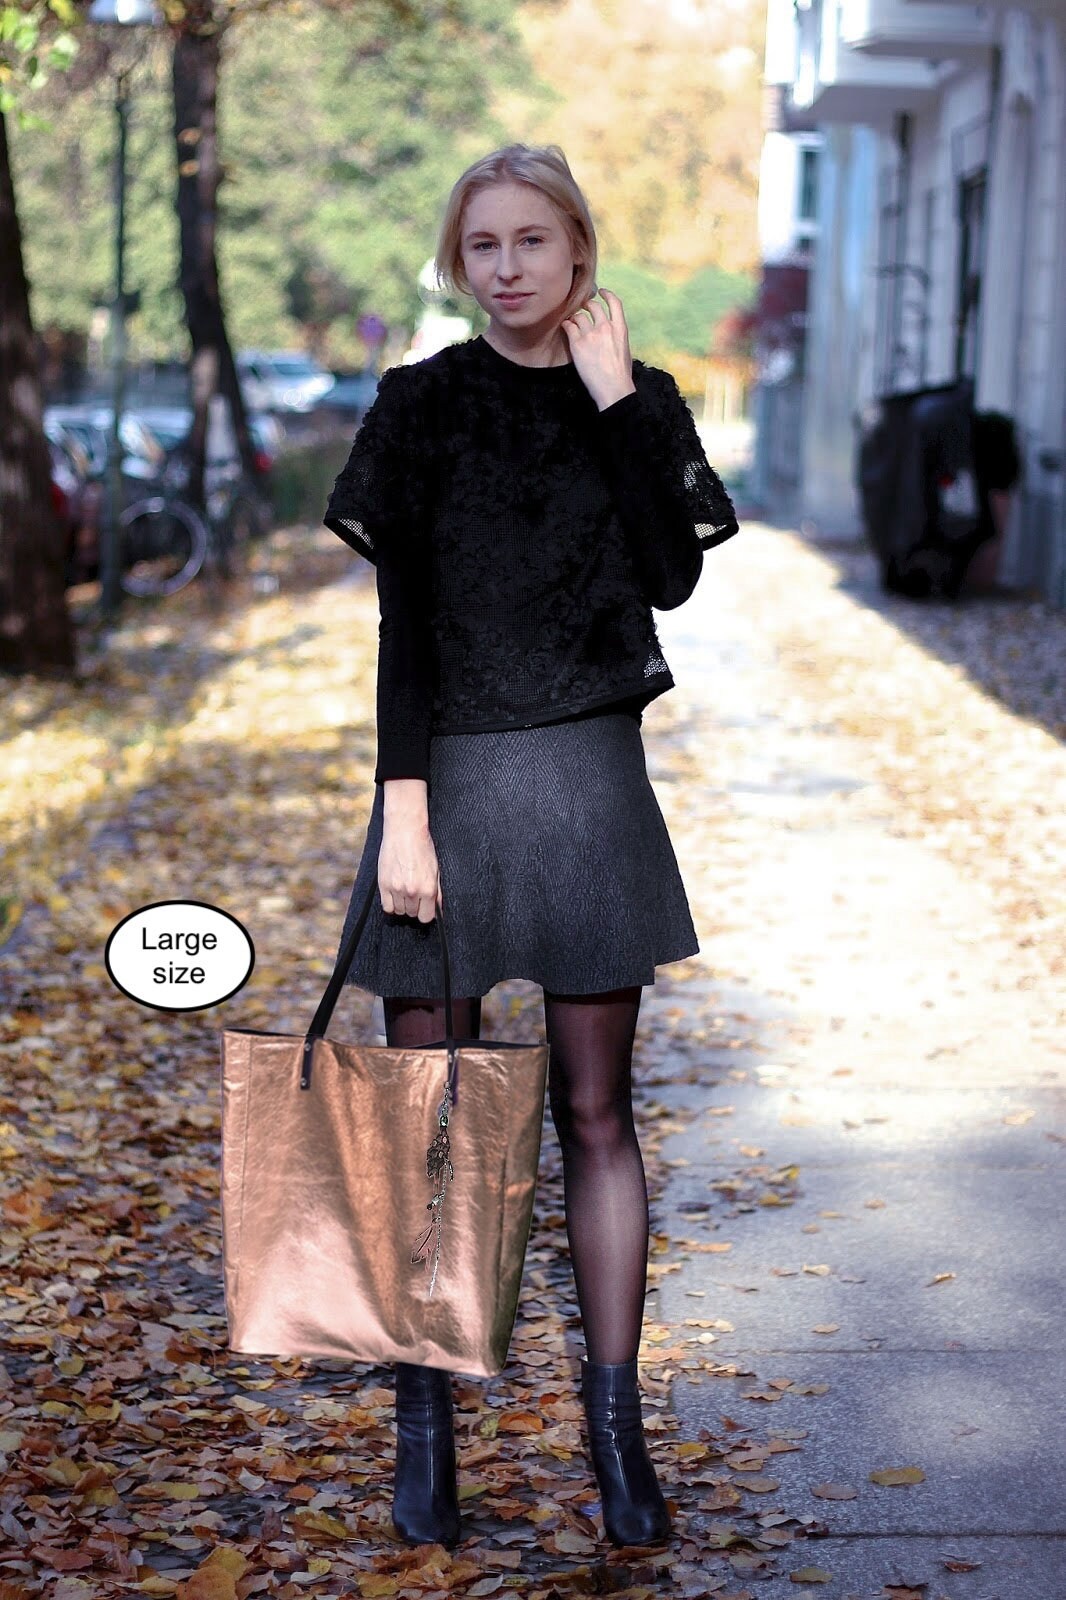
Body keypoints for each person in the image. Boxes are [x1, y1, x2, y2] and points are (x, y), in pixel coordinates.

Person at [323, 142, 739, 1552]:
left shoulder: (640, 401)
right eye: (482, 244)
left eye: (531, 242)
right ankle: (426, 1426)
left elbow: (671, 573)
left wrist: (620, 403)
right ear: (460, 259)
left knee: (594, 1116)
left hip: (589, 784)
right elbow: (399, 636)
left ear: (578, 255)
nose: (505, 266)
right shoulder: (420, 407)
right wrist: (401, 813)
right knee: (428, 1126)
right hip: (444, 791)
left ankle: (614, 1442)